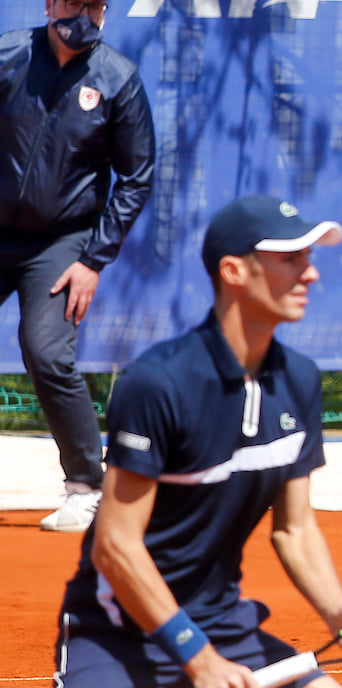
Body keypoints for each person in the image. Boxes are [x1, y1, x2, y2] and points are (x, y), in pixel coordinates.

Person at [43, 196, 342, 688]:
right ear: (234, 271)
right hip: (115, 630)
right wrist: (197, 658)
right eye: (291, 257)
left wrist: (340, 613)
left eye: (309, 257)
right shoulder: (158, 383)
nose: (310, 271)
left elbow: (294, 528)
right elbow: (115, 548)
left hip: (224, 626)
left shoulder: (299, 381)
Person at [0, 0, 156, 532]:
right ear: (49, 5)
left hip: (63, 244)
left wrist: (93, 260)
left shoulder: (117, 79)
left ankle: (87, 488)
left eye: (94, 5)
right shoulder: (9, 56)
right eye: (72, 3)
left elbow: (136, 178)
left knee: (45, 352)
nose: (82, 15)